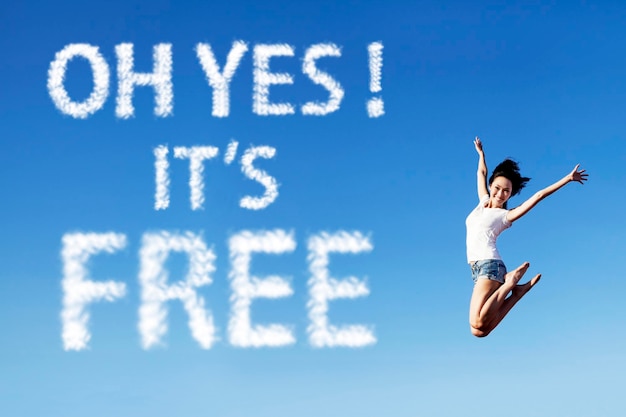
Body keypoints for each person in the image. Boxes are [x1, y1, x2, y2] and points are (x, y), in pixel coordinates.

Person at [467, 137, 587, 337]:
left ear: (510, 194)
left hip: (489, 265)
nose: (500, 193)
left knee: (476, 321)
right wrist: (481, 154)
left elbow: (539, 196)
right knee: (479, 331)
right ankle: (517, 294)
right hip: (478, 269)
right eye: (497, 188)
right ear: (491, 186)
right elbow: (481, 172)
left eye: (506, 191)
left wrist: (567, 179)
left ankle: (510, 283)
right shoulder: (483, 201)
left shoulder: (505, 216)